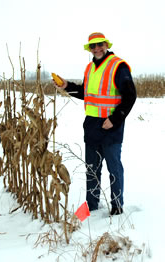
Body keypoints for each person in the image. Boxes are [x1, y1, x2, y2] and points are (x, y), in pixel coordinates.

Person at [53, 32, 137, 216]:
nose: (97, 48)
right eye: (93, 46)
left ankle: (117, 208)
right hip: (91, 126)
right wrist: (67, 86)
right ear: (89, 49)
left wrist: (114, 120)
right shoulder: (90, 68)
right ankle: (91, 207)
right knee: (92, 169)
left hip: (111, 126)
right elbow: (86, 93)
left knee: (114, 168)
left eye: (100, 44)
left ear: (106, 45)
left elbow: (130, 96)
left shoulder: (118, 66)